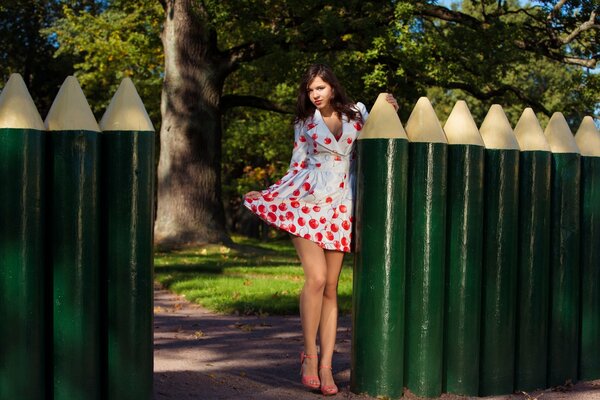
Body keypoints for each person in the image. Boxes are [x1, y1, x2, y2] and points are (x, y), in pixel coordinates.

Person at [244, 63, 398, 396]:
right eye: (311, 89)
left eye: (321, 88)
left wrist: (387, 100)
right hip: (306, 203)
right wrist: (269, 193)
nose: (315, 95)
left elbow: (381, 128)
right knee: (315, 278)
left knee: (331, 287)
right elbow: (296, 166)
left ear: (332, 88)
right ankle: (309, 357)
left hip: (341, 206)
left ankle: (328, 366)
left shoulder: (357, 115)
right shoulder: (303, 124)